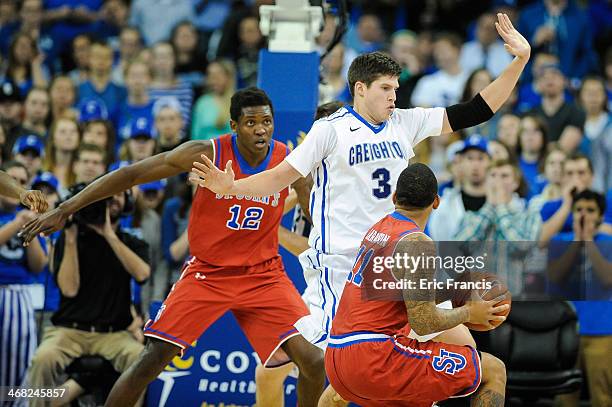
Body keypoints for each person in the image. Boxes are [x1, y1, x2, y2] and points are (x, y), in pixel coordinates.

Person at [188, 13, 529, 403]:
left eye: (396, 88)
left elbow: (477, 110)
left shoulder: (405, 122)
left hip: (401, 265)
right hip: (346, 270)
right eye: (385, 88)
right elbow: (281, 176)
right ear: (360, 88)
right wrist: (233, 188)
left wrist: (519, 61)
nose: (393, 96)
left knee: (464, 355)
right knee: (322, 372)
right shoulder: (329, 129)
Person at [20, 88, 325, 407]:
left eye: (267, 121)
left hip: (263, 275)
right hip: (209, 274)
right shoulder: (206, 153)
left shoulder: (287, 161)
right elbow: (131, 173)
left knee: (313, 361)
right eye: (251, 122)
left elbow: (316, 216)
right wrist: (65, 209)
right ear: (233, 125)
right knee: (149, 361)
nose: (261, 128)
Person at [321, 163, 508, 406]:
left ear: (394, 197)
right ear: (437, 202)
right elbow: (423, 322)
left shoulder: (378, 229)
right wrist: (469, 312)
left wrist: (453, 289)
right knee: (493, 370)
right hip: (376, 359)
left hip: (337, 360)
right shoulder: (417, 242)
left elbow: (399, 295)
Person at [27, 187, 150, 407]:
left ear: (128, 202)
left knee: (139, 357)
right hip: (69, 331)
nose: (111, 201)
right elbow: (69, 289)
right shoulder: (70, 238)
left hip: (114, 334)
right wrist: (71, 236)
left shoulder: (132, 242)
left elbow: (142, 274)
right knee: (43, 358)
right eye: (105, 198)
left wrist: (109, 235)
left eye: (117, 195)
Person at [0, 161, 48, 393]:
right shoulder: (14, 218)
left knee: (19, 368)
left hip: (19, 294)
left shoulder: (30, 217)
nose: (17, 186)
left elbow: (39, 266)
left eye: (22, 182)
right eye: (12, 181)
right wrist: (15, 224)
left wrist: (28, 228)